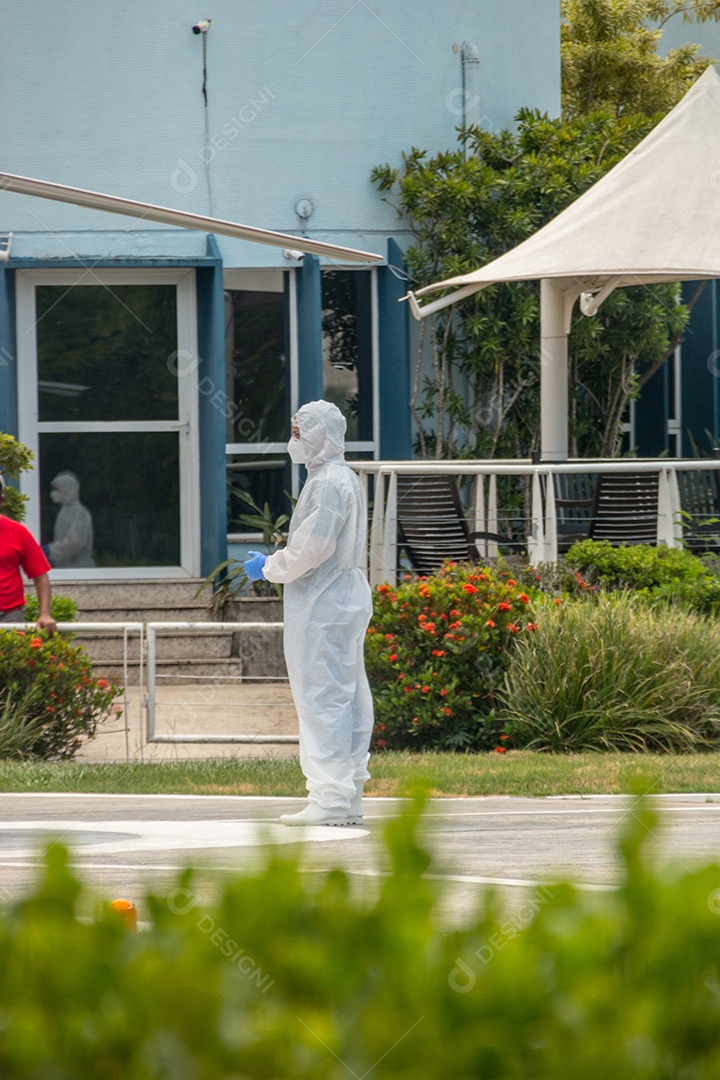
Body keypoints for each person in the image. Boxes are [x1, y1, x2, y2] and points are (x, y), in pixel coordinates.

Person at [245, 400, 374, 827]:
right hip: (342, 596)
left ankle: (331, 798)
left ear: (320, 435)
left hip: (324, 602)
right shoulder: (342, 479)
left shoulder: (328, 484)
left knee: (324, 696)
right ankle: (346, 792)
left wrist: (269, 566)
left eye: (300, 432)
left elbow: (313, 549)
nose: (294, 440)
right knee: (347, 693)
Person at [0, 474, 56, 632]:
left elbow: (40, 576)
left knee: (11, 657)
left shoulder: (18, 532)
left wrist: (45, 614)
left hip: (10, 617)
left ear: (2, 501)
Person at [44, 471, 95, 569]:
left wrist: (50, 551)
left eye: (56, 489)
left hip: (80, 570)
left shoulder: (80, 513)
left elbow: (75, 543)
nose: (53, 493)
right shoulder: (63, 513)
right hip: (66, 569)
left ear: (67, 490)